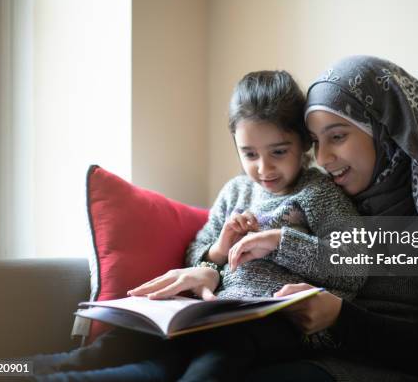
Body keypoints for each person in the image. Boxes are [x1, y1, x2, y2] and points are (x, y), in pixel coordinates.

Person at [21, 70, 362, 382]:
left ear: (303, 143)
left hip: (277, 323)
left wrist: (280, 242)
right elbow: (195, 255)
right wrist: (219, 248)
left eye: (278, 151)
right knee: (121, 342)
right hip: (216, 312)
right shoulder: (236, 191)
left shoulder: (319, 193)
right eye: (250, 154)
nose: (263, 168)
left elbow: (353, 266)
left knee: (215, 360)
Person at [242, 55, 418, 382]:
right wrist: (211, 268)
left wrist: (338, 317)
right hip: (305, 350)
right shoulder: (333, 195)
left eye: (337, 136)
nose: (322, 158)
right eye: (316, 142)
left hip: (380, 368)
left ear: (385, 130)